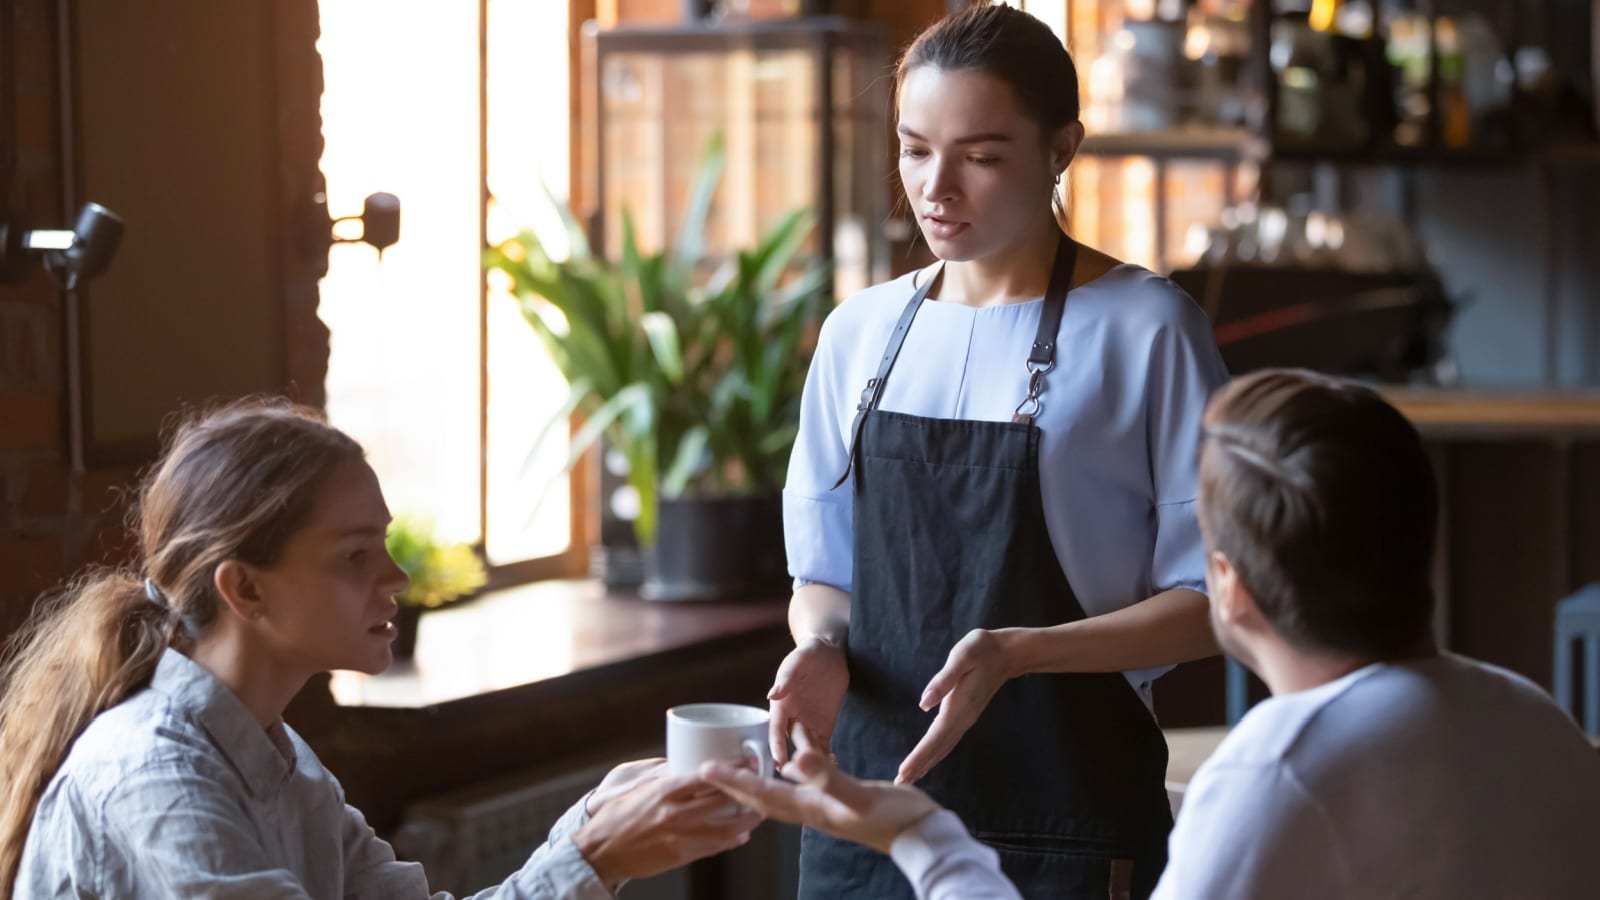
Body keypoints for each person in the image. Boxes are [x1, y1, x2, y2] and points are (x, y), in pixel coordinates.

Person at [717, 368, 1600, 900]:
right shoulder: (1538, 722)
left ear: (1229, 588)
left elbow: (1298, 803)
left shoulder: (1278, 770)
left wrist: (921, 835)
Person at [770, 4, 1228, 898]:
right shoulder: (858, 334)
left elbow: (1217, 601)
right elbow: (822, 575)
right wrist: (823, 646)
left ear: (1063, 148)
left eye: (981, 157)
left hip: (1068, 818)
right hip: (867, 818)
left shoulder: (1148, 330)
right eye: (914, 149)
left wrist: (1020, 652)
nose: (936, 189)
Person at [0, 400, 759, 899]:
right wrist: (595, 858)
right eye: (354, 556)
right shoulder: (155, 779)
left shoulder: (280, 760)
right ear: (245, 590)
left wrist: (595, 825)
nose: (396, 579)